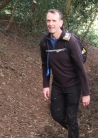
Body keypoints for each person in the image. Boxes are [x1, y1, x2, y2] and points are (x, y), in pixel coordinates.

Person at [39, 9, 90, 138]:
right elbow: (45, 65)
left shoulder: (70, 41)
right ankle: (74, 131)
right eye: (48, 21)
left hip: (73, 86)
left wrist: (86, 93)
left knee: (71, 117)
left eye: (54, 21)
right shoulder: (44, 42)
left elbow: (80, 68)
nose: (50, 24)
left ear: (60, 23)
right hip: (57, 85)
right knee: (56, 115)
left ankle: (73, 131)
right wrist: (46, 85)